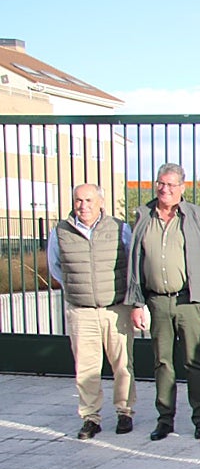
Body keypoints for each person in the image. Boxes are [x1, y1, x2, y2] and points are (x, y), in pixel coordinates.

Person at [126, 163, 200, 441]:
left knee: (195, 362)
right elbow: (134, 261)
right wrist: (135, 302)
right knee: (162, 362)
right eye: (160, 183)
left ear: (182, 188)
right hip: (157, 301)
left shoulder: (195, 217)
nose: (164, 189)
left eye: (170, 184)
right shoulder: (144, 216)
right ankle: (165, 419)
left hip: (188, 301)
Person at [47, 183, 136, 439]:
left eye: (88, 200)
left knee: (123, 364)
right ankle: (90, 417)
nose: (82, 205)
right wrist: (77, 288)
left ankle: (124, 411)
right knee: (86, 367)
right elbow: (55, 266)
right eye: (78, 200)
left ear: (100, 202)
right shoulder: (61, 231)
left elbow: (131, 261)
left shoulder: (120, 228)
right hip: (81, 310)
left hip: (115, 307)